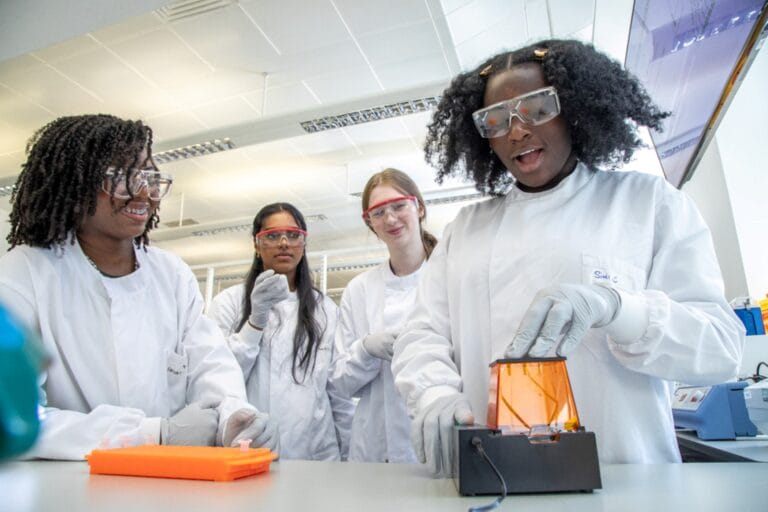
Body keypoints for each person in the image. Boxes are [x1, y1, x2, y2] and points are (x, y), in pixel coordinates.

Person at [391, 39, 745, 477]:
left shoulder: (647, 203)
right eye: (496, 121)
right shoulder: (466, 230)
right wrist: (434, 393)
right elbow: (421, 334)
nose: (517, 131)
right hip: (495, 478)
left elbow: (720, 348)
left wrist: (620, 309)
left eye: (537, 108)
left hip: (627, 480)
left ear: (574, 108)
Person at [0, 114, 278, 460]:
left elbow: (210, 362)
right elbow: (16, 417)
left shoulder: (171, 273)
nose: (145, 192)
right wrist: (150, 435)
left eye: (149, 176)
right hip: (66, 489)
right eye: (122, 177)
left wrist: (232, 417)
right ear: (73, 183)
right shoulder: (22, 274)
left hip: (169, 481)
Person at [207, 202, 354, 460]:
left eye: (294, 235)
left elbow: (336, 392)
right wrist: (254, 322)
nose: (284, 243)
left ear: (304, 243)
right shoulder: (229, 303)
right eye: (272, 236)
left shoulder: (326, 309)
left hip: (317, 455)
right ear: (256, 244)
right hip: (249, 451)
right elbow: (217, 380)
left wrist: (349, 454)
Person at [330, 168, 437, 463]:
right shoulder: (359, 290)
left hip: (435, 437)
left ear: (419, 207)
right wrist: (364, 350)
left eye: (399, 205)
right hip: (374, 446)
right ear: (370, 224)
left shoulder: (448, 277)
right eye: (378, 212)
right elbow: (340, 383)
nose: (390, 218)